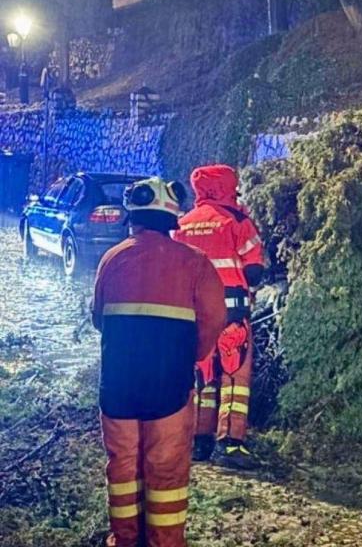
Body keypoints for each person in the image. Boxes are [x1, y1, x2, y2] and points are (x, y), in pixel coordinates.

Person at [92, 177, 226, 546]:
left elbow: (97, 317)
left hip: (117, 386)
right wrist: (190, 357)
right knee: (164, 471)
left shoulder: (111, 258)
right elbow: (215, 318)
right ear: (172, 221)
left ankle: (124, 539)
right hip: (170, 387)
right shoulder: (195, 263)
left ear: (132, 218)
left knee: (122, 468)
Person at [173, 164, 265, 469]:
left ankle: (198, 441)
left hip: (194, 315)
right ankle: (230, 442)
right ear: (228, 186)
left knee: (202, 376)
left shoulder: (182, 224)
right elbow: (254, 271)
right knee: (234, 376)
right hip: (232, 312)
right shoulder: (237, 221)